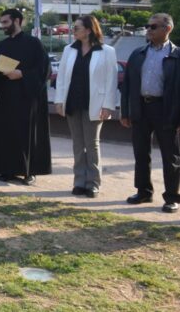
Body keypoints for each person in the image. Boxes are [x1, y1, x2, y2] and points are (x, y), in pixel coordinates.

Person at [120, 13, 180, 213]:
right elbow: (126, 85)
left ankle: (172, 197)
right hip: (141, 108)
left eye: (153, 26)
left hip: (165, 109)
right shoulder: (138, 54)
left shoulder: (176, 55)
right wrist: (125, 111)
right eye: (148, 26)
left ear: (167, 29)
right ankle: (144, 191)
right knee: (141, 153)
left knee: (170, 156)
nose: (149, 30)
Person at [54, 15, 118, 198]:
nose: (73, 31)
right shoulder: (69, 49)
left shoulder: (107, 51)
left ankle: (93, 183)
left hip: (95, 104)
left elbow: (111, 81)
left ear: (89, 30)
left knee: (92, 145)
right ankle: (79, 181)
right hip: (73, 103)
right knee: (77, 144)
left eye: (76, 28)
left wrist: (108, 106)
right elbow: (62, 78)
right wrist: (59, 100)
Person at [0, 8, 51, 185]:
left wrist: (21, 74)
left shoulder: (34, 44)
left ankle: (28, 171)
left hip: (26, 97)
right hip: (6, 97)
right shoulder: (1, 46)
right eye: (2, 23)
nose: (3, 27)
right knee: (6, 133)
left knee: (27, 134)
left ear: (17, 21)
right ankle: (7, 169)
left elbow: (44, 70)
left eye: (6, 23)